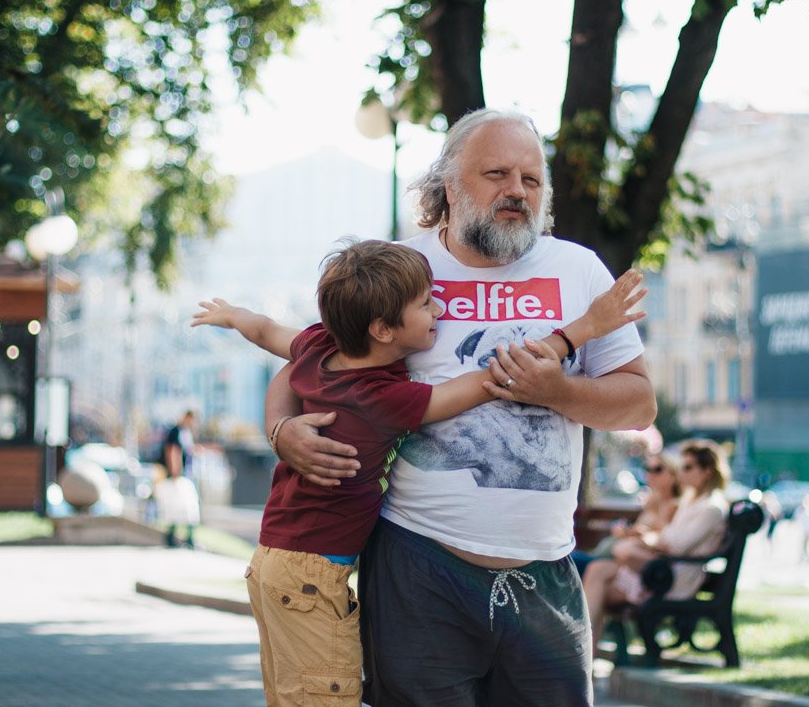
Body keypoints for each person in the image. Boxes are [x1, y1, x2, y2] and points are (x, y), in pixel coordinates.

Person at [267, 108, 657, 706]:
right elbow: (305, 365)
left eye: (531, 179)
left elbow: (638, 405)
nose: (516, 192)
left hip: (547, 573)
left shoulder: (577, 270)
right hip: (417, 566)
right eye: (496, 173)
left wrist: (557, 391)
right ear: (449, 184)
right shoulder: (397, 268)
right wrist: (281, 430)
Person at [192, 239, 645, 707]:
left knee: (296, 694)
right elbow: (493, 377)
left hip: (283, 561)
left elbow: (267, 331)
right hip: (311, 574)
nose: (439, 308)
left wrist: (233, 315)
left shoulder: (320, 345)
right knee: (324, 696)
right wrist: (583, 329)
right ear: (384, 329)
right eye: (426, 303)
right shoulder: (381, 399)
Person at [581, 439, 730, 647]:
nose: (682, 472)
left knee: (600, 580)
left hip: (671, 577)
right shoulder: (692, 502)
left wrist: (645, 538)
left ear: (707, 471)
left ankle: (582, 657)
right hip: (661, 570)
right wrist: (650, 538)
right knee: (597, 570)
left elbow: (676, 545)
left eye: (688, 467)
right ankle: (585, 659)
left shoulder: (711, 508)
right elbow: (668, 540)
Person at [571, 452, 681, 577]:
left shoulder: (672, 506)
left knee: (567, 561)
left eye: (657, 469)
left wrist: (638, 533)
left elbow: (663, 540)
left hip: (623, 561)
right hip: (610, 554)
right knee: (569, 560)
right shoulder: (651, 502)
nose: (651, 474)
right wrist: (626, 531)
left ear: (673, 474)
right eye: (648, 469)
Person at [157, 410, 199, 548]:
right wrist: (175, 472)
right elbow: (172, 451)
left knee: (184, 507)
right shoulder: (176, 431)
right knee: (180, 506)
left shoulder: (186, 432)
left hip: (185, 474)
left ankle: (185, 537)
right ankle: (178, 537)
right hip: (178, 476)